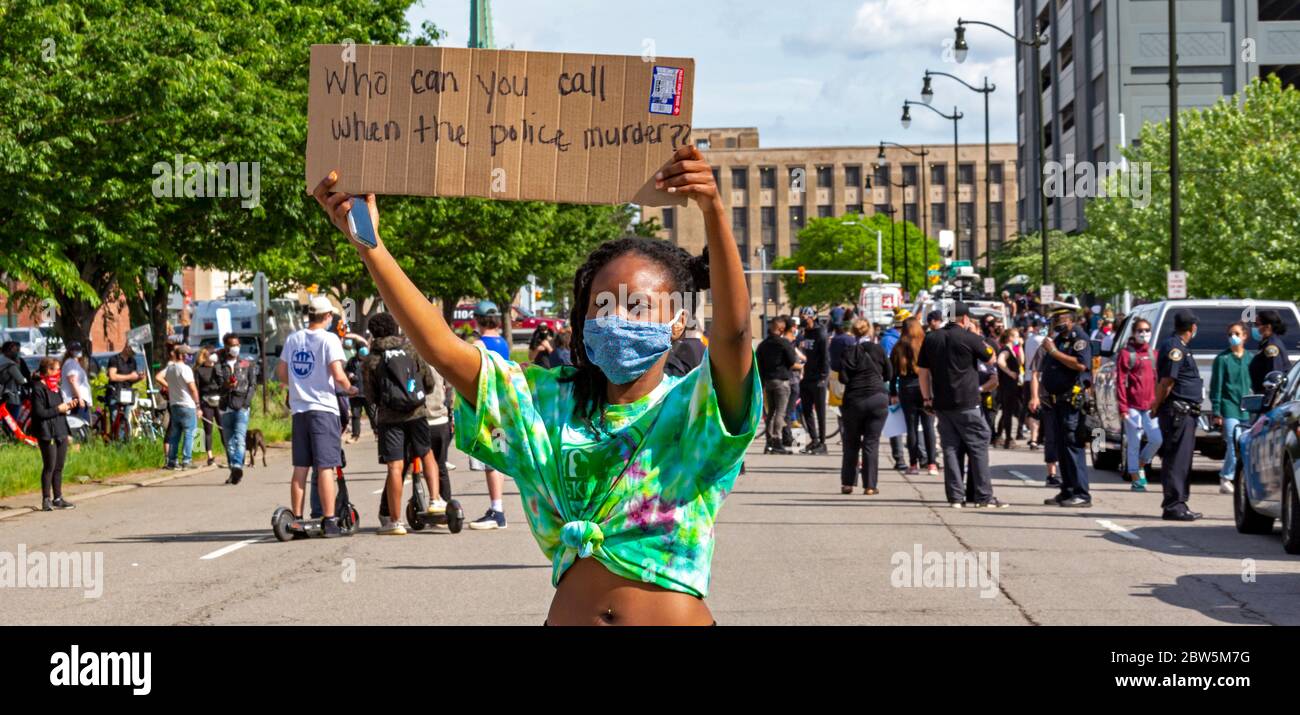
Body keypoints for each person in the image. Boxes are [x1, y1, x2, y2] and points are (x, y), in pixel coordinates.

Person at [311, 144, 759, 626]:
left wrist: (712, 208)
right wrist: (369, 245)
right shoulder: (547, 402)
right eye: (602, 304)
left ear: (678, 322)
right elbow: (441, 347)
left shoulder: (698, 410)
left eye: (637, 306)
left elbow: (734, 334)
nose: (617, 318)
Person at [275, 296, 358, 537]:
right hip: (323, 408)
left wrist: (298, 384)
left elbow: (281, 373)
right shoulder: (329, 339)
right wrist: (350, 388)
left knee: (301, 467)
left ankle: (297, 518)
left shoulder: (293, 339)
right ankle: (329, 519)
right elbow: (338, 374)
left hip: (300, 409)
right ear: (328, 316)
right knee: (325, 466)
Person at [363, 311, 445, 536]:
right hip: (416, 413)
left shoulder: (371, 360)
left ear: (373, 333)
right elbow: (428, 382)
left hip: (390, 418)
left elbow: (370, 396)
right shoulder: (410, 349)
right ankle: (435, 500)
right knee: (427, 454)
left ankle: (395, 522)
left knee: (395, 467)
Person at [917, 302, 1006, 509]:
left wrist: (927, 398)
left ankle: (955, 497)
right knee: (978, 446)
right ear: (965, 319)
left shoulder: (931, 338)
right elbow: (991, 358)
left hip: (942, 402)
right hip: (968, 401)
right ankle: (983, 496)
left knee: (950, 448)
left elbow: (923, 372)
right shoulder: (969, 337)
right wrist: (976, 335)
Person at [1038, 301, 1094, 508]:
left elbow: (1081, 365)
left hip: (1072, 401)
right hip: (1057, 401)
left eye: (1058, 319)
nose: (1055, 323)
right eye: (1053, 319)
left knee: (1073, 447)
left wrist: (1054, 352)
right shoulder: (1059, 339)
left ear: (1070, 320)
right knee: (1062, 448)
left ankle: (1081, 493)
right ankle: (1067, 490)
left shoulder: (1079, 338)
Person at [1153, 309, 1205, 521]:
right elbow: (1167, 382)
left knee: (1181, 459)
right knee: (1176, 459)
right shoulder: (1175, 348)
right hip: (1178, 412)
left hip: (1184, 412)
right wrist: (1156, 405)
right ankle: (1174, 505)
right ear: (1192, 328)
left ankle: (1179, 503)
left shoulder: (1178, 346)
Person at [467, 300, 512, 530]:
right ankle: (497, 507)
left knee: (491, 458)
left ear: (478, 320)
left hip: (487, 407)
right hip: (503, 405)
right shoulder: (503, 343)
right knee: (498, 454)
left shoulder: (478, 345)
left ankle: (497, 511)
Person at [838, 323, 891, 495]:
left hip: (854, 400)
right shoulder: (878, 349)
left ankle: (848, 483)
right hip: (877, 398)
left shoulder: (849, 351)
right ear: (870, 331)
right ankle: (870, 485)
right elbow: (889, 374)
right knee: (871, 442)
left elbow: (843, 378)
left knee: (851, 442)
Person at [1115, 318, 1161, 491]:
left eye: (1147, 330)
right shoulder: (1126, 354)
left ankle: (1141, 462)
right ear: (1133, 333)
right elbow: (1120, 382)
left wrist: (1158, 403)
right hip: (1132, 406)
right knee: (1134, 441)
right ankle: (1135, 477)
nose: (1144, 333)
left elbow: (1159, 381)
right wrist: (1123, 408)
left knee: (1157, 439)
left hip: (1150, 407)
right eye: (1140, 330)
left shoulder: (1153, 354)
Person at [30, 357, 79, 511]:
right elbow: (39, 413)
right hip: (47, 432)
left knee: (59, 466)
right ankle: (46, 499)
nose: (59, 372)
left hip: (60, 430)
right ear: (48, 370)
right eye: (56, 369)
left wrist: (68, 406)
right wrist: (59, 409)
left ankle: (58, 498)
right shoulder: (38, 388)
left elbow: (59, 408)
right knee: (49, 466)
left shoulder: (55, 387)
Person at [1210, 321, 1253, 495]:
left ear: (1245, 336)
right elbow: (1217, 386)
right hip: (1229, 407)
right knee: (1233, 442)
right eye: (1230, 334)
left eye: (1236, 334)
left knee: (1245, 446)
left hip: (1247, 409)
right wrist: (1217, 410)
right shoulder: (1222, 359)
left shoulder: (1250, 358)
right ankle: (1226, 477)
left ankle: (1243, 479)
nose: (1233, 337)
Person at [891, 317, 937, 476]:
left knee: (911, 428)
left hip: (906, 387)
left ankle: (913, 464)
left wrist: (893, 392)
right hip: (926, 387)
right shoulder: (925, 344)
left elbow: (893, 373)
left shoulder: (898, 347)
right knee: (928, 427)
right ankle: (932, 464)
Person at [216, 334, 257, 484]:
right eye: (232, 345)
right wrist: (227, 385)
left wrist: (246, 403)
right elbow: (218, 387)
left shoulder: (246, 363)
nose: (235, 348)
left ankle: (237, 466)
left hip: (242, 407)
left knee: (239, 439)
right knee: (229, 443)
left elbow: (252, 385)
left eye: (237, 345)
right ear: (226, 346)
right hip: (226, 407)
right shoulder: (219, 366)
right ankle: (234, 470)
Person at [756, 316, 796, 455]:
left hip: (768, 381)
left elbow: (758, 363)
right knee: (780, 412)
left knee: (771, 412)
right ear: (780, 329)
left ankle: (769, 442)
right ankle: (777, 440)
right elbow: (792, 361)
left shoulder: (763, 344)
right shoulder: (783, 343)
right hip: (781, 381)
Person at [156, 344, 199, 470]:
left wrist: (169, 387)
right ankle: (187, 460)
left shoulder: (170, 368)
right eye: (188, 354)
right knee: (189, 432)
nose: (190, 357)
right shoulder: (186, 369)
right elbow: (192, 388)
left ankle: (172, 460)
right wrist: (197, 404)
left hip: (175, 404)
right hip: (187, 404)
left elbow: (159, 377)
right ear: (181, 355)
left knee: (175, 434)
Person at [796, 307, 829, 455]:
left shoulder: (820, 333)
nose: (802, 320)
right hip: (806, 377)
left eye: (804, 317)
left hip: (818, 378)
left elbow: (825, 356)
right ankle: (814, 439)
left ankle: (822, 442)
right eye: (801, 317)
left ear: (812, 317)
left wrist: (823, 376)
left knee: (820, 411)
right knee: (806, 410)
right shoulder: (803, 333)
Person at [880, 308, 909, 470]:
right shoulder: (889, 341)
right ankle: (899, 458)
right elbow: (888, 367)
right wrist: (892, 388)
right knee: (896, 423)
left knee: (913, 423)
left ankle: (921, 457)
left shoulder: (904, 339)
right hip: (893, 386)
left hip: (906, 385)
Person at [104, 343, 143, 439]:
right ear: (127, 347)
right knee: (115, 417)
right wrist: (130, 376)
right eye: (132, 351)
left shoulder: (132, 361)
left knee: (126, 418)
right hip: (115, 392)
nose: (133, 354)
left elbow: (131, 379)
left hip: (127, 393)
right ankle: (114, 439)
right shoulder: (114, 359)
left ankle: (124, 440)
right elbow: (112, 376)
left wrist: (139, 378)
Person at [193, 347, 223, 467]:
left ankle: (229, 453)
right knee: (208, 429)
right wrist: (198, 407)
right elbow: (196, 388)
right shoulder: (199, 370)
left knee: (223, 427)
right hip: (206, 402)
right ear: (206, 356)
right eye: (212, 354)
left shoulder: (218, 368)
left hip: (219, 401)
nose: (214, 356)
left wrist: (219, 372)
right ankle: (210, 456)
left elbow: (223, 384)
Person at [994, 328, 1024, 449]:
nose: (1018, 338)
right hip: (1007, 385)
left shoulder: (1013, 349)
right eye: (1016, 336)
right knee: (1007, 412)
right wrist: (1009, 372)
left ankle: (999, 436)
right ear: (1010, 338)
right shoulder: (1006, 350)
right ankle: (1008, 439)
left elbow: (1021, 362)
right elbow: (1000, 361)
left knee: (1008, 412)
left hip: (1012, 385)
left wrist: (1020, 346)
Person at [1248, 309, 1290, 394]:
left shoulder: (1271, 347)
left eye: (1257, 324)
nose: (1254, 328)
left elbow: (1274, 378)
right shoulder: (1265, 344)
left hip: (1269, 397)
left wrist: (1269, 399)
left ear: (1268, 326)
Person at [344, 338, 376, 443]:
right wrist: (350, 375)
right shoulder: (352, 361)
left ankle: (377, 433)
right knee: (355, 415)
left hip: (368, 393)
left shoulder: (370, 361)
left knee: (372, 414)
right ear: (357, 352)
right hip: (355, 393)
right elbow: (346, 371)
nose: (363, 356)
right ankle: (355, 436)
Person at [60, 342, 92, 428]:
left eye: (78, 349)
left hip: (77, 399)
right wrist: (80, 398)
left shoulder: (74, 363)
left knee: (82, 425)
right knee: (81, 425)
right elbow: (72, 380)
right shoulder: (71, 363)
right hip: (76, 400)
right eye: (75, 350)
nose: (78, 351)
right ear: (70, 351)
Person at [0, 341, 27, 424]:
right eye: (15, 350)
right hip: (11, 397)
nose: (17, 353)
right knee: (11, 422)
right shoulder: (10, 364)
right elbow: (21, 380)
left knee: (3, 421)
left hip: (2, 395)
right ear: (8, 350)